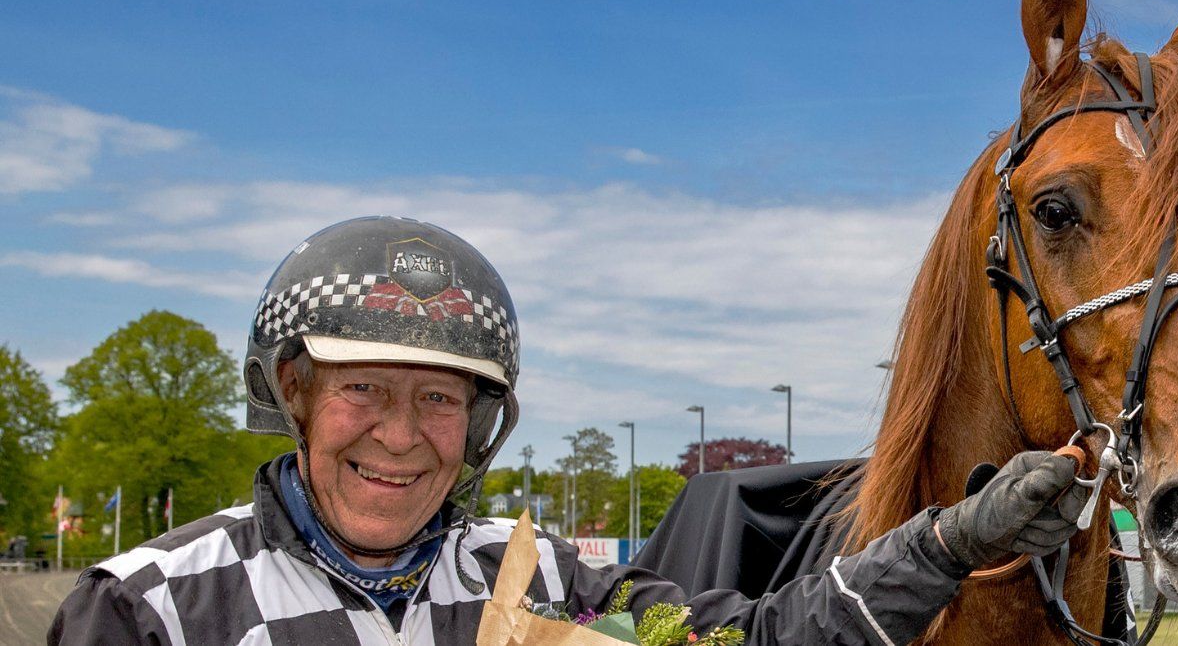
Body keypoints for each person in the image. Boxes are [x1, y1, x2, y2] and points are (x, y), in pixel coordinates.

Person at [49, 216, 1087, 645]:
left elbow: (756, 644)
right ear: (297, 394)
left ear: (481, 424)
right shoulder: (148, 609)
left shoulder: (540, 582)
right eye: (364, 388)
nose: (401, 436)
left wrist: (950, 543)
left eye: (439, 399)